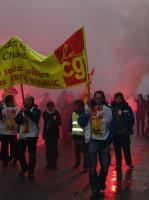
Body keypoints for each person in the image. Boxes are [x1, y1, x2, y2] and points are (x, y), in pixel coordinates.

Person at [88, 90, 113, 199]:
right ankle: (95, 188)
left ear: (103, 98)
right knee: (92, 168)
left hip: (104, 142)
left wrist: (109, 139)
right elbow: (81, 122)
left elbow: (112, 125)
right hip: (93, 140)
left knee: (105, 167)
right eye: (96, 98)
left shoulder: (108, 110)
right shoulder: (90, 108)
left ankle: (101, 182)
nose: (97, 100)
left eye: (99, 98)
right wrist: (87, 115)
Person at [15, 96, 41, 178]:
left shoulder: (36, 110)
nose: (26, 102)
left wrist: (28, 113)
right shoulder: (21, 111)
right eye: (26, 100)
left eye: (28, 101)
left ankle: (31, 170)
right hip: (23, 135)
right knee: (19, 152)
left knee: (32, 153)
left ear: (32, 102)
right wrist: (23, 116)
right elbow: (17, 121)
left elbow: (35, 118)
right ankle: (24, 167)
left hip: (32, 135)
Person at [112, 92, 135, 171]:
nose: (118, 99)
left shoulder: (127, 107)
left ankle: (129, 163)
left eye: (120, 98)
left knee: (126, 149)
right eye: (117, 98)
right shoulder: (111, 108)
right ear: (114, 99)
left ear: (122, 98)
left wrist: (127, 127)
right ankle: (118, 165)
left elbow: (131, 118)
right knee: (117, 150)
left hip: (125, 132)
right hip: (115, 133)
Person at [69, 99, 89, 172]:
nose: (75, 107)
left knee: (84, 152)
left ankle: (85, 166)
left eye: (77, 105)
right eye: (75, 105)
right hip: (75, 135)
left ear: (81, 106)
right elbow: (70, 122)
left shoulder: (85, 113)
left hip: (83, 136)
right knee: (76, 152)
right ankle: (77, 163)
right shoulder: (73, 113)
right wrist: (69, 131)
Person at [0, 95, 19, 166]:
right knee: (14, 146)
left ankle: (5, 160)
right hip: (12, 131)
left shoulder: (2, 108)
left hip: (3, 131)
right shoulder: (17, 108)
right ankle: (14, 158)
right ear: (12, 100)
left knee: (4, 146)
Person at [42, 101, 61, 169]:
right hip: (47, 134)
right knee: (48, 149)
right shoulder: (44, 113)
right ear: (47, 107)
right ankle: (49, 162)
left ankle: (54, 162)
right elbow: (44, 122)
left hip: (55, 134)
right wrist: (52, 121)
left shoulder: (56, 113)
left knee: (54, 149)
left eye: (52, 107)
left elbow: (59, 122)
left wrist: (53, 122)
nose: (51, 108)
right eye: (49, 107)